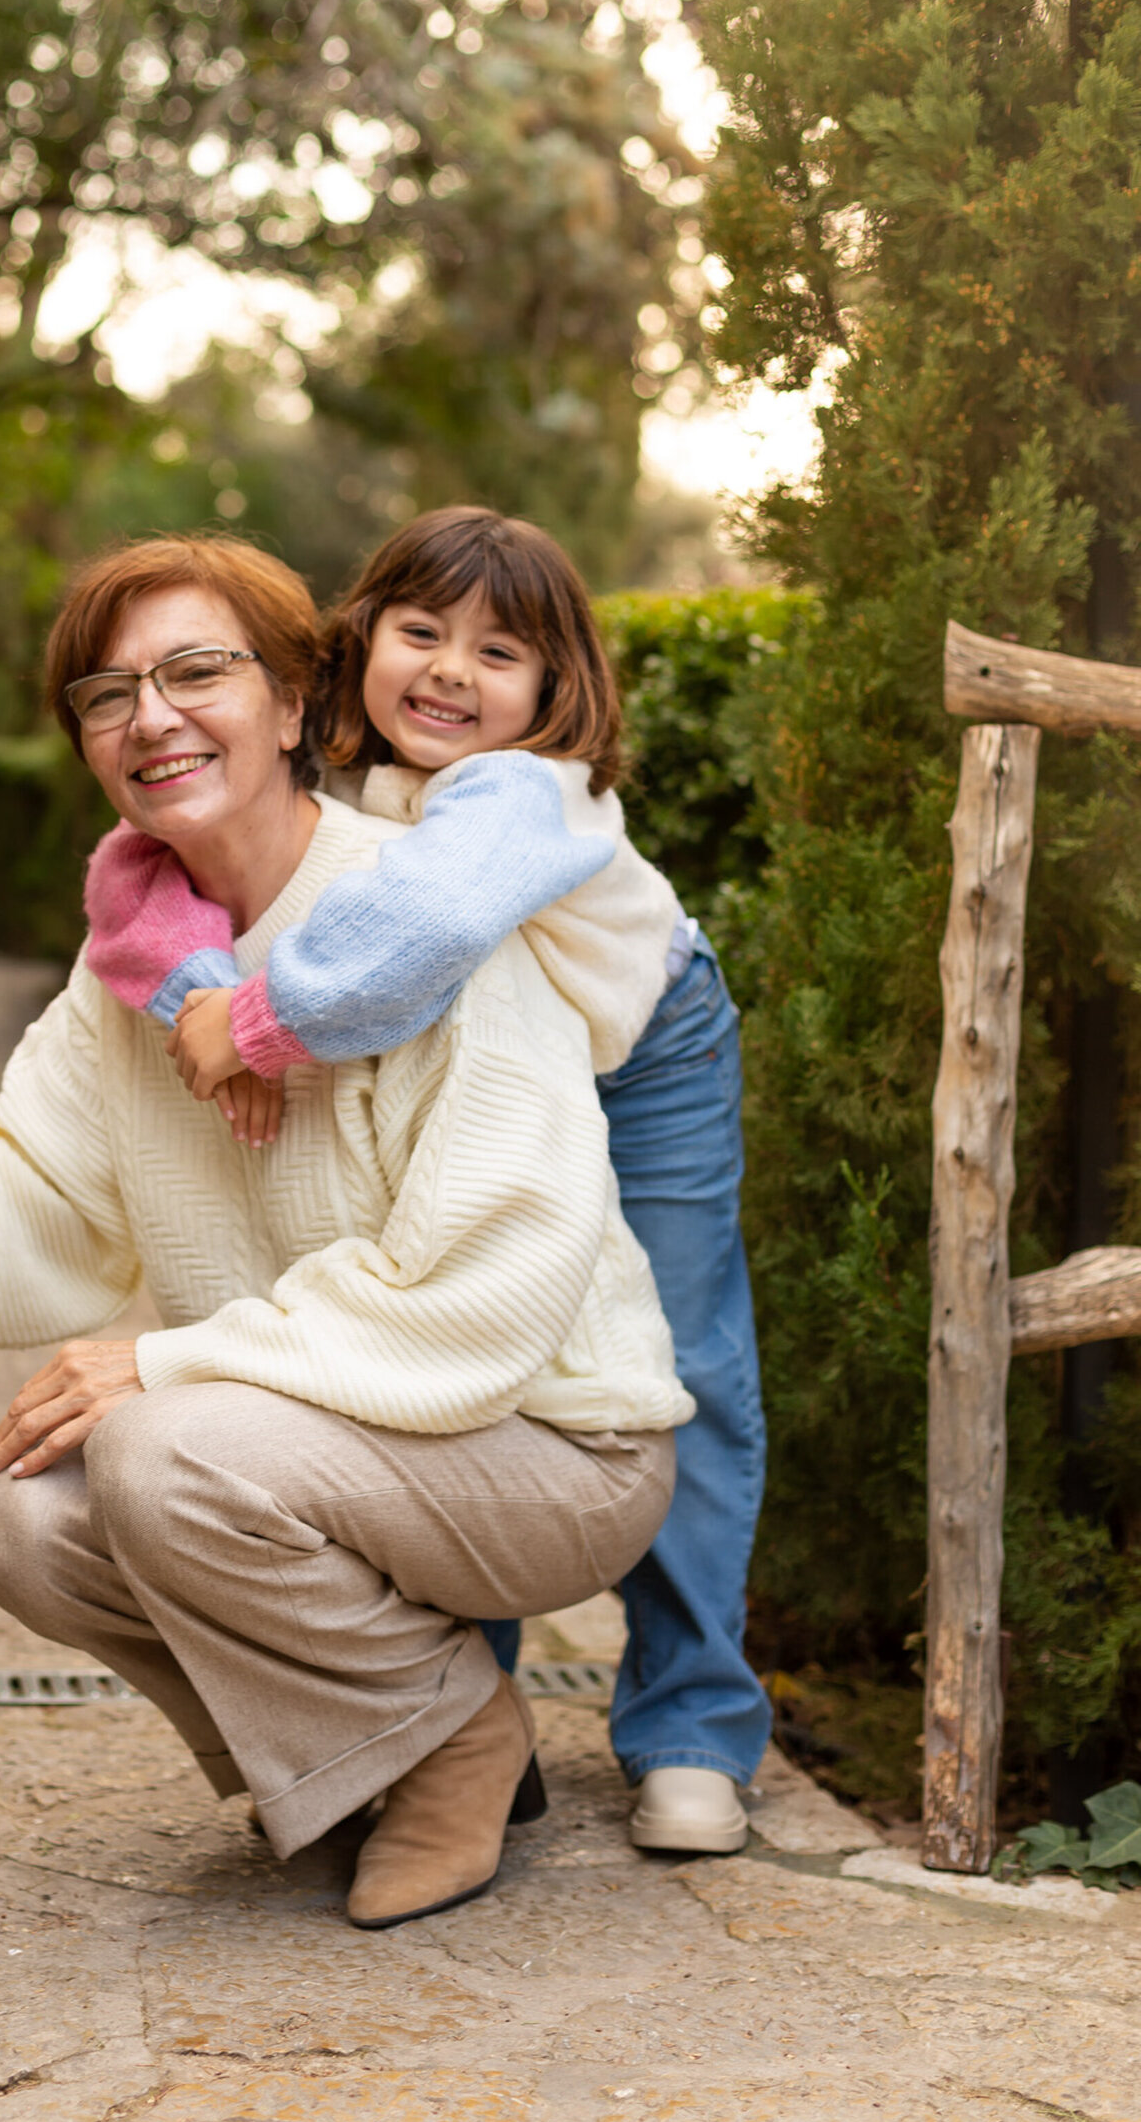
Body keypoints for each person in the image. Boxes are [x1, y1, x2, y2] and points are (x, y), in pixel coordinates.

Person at [0, 534, 691, 1930]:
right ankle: (388, 1747)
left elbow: (485, 1287)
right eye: (107, 696)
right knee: (22, 1517)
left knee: (155, 1445)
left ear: (296, 703)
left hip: (551, 1442)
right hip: (326, 1446)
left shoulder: (420, 927)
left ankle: (459, 1746)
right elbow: (5, 1219)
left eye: (195, 672)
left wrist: (166, 1366)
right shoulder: (143, 980)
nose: (150, 716)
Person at [81, 509, 772, 1857]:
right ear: (356, 646)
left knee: (684, 1368)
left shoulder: (523, 790)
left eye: (499, 651)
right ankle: (463, 1715)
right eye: (419, 633)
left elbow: (435, 920)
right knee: (454, 1361)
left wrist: (261, 1026)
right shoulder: (335, 784)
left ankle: (694, 1726)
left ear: (556, 692)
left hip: (646, 1059)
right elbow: (131, 875)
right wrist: (199, 997)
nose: (451, 672)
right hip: (500, 1074)